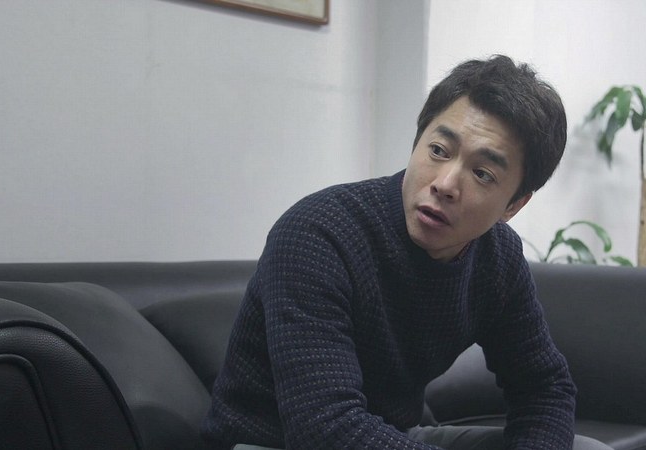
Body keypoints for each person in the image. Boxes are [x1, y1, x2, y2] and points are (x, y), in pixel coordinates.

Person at [202, 55, 611, 450]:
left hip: (391, 436)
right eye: (439, 151)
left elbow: (545, 388)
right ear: (417, 143)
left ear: (514, 205)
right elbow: (324, 430)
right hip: (273, 442)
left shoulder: (497, 258)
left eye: (483, 173)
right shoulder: (318, 233)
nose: (445, 184)